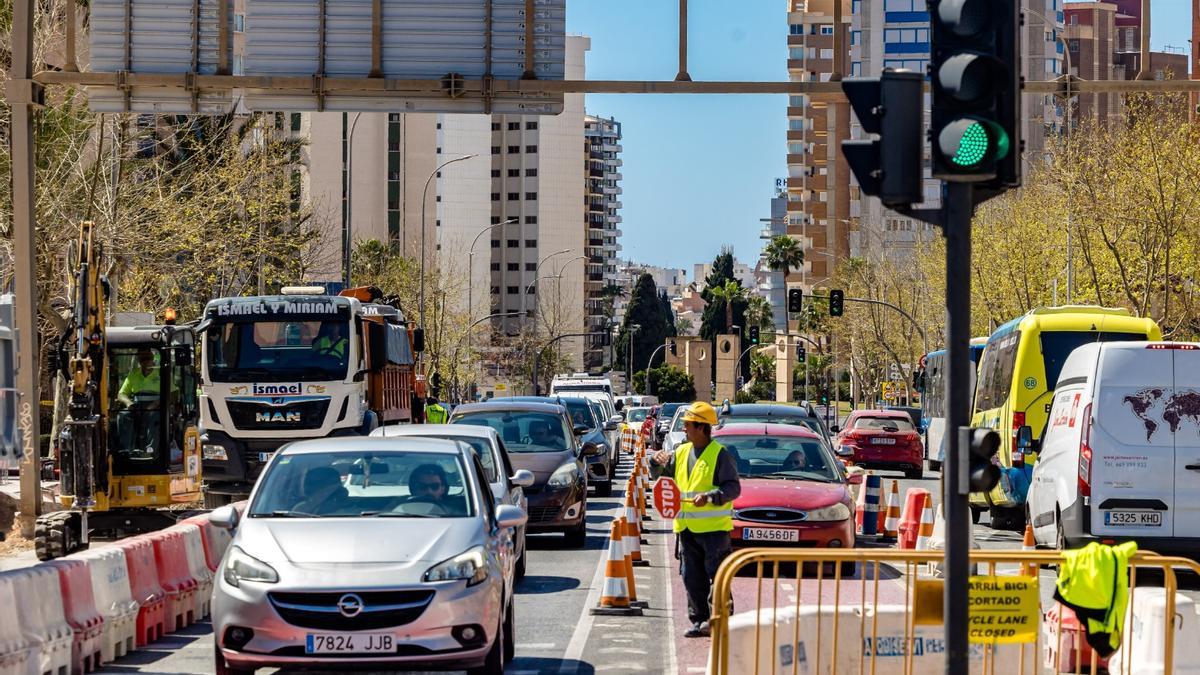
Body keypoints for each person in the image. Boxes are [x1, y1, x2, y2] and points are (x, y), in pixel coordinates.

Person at [652, 401, 741, 638]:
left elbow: (733, 488)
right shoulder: (680, 452)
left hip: (714, 531)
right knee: (691, 577)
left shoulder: (720, 455)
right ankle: (699, 620)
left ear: (701, 427)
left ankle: (721, 620)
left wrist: (712, 497)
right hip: (686, 528)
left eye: (688, 425)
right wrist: (655, 461)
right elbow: (661, 478)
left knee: (718, 577)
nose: (684, 429)